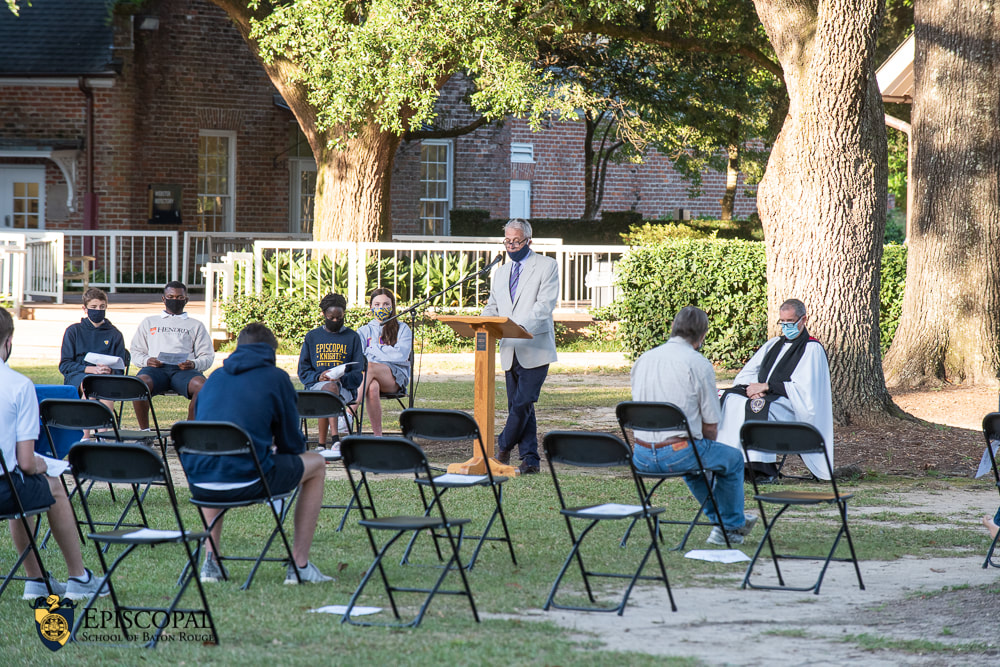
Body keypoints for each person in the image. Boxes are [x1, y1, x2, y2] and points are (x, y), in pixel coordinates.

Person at [182, 323, 332, 584]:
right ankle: (299, 564)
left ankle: (211, 562)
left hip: (199, 484)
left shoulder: (215, 377)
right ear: (271, 352)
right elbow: (292, 445)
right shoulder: (276, 378)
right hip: (249, 480)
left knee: (214, 462)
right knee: (317, 463)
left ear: (237, 348)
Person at [0, 306, 107, 601]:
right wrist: (45, 464)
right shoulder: (19, 386)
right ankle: (77, 576)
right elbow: (24, 461)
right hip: (3, 486)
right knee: (50, 482)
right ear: (8, 341)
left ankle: (37, 579)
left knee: (21, 483)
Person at [630, 306, 756, 546]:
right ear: (702, 335)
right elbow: (711, 424)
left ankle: (725, 520)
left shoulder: (643, 359)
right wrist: (705, 445)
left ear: (672, 328)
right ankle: (729, 524)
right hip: (679, 452)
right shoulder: (697, 363)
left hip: (642, 454)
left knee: (696, 464)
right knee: (732, 459)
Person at [716, 299, 834, 480]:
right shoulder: (773, 344)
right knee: (729, 398)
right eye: (783, 322)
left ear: (803, 320)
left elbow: (805, 390)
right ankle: (728, 462)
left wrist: (768, 387)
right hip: (763, 395)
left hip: (789, 404)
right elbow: (748, 372)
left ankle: (759, 469)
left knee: (758, 406)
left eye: (790, 322)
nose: (786, 326)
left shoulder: (812, 349)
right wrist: (755, 388)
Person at [483, 219, 559, 475]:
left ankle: (502, 448)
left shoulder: (547, 266)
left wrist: (520, 326)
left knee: (522, 402)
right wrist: (482, 322)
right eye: (507, 241)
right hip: (508, 348)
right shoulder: (501, 272)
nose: (511, 246)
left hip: (534, 345)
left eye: (516, 241)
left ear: (529, 240)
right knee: (521, 406)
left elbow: (544, 304)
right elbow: (494, 306)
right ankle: (530, 460)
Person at [130, 281, 214, 429]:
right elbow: (136, 351)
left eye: (179, 297)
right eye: (170, 296)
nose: (174, 300)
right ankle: (146, 432)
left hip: (183, 370)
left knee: (203, 386)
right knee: (139, 384)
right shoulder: (149, 322)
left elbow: (207, 355)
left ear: (186, 300)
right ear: (163, 298)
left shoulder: (195, 325)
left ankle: (188, 432)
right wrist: (147, 360)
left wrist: (193, 364)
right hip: (155, 369)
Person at [298, 293, 364, 449]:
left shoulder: (352, 337)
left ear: (344, 315)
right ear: (323, 314)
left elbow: (357, 374)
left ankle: (323, 444)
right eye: (331, 317)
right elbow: (303, 371)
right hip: (316, 387)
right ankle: (334, 441)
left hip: (345, 389)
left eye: (339, 318)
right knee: (328, 389)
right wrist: (319, 376)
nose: (335, 321)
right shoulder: (312, 337)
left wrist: (341, 379)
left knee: (332, 387)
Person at [355, 288, 412, 437]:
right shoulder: (363, 331)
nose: (382, 308)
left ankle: (349, 411)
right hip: (370, 376)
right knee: (372, 387)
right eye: (377, 304)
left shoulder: (402, 328)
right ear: (371, 307)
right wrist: (385, 351)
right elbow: (359, 357)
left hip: (395, 376)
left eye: (386, 304)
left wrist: (373, 349)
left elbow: (400, 355)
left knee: (370, 367)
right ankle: (378, 437)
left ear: (392, 306)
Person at [59, 287, 129, 405]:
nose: (98, 310)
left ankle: (105, 422)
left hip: (106, 378)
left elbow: (120, 368)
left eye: (102, 307)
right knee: (90, 385)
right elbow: (65, 365)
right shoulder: (73, 331)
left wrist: (108, 371)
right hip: (79, 376)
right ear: (85, 309)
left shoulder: (115, 334)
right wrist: (90, 369)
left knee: (104, 387)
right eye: (94, 307)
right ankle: (90, 420)